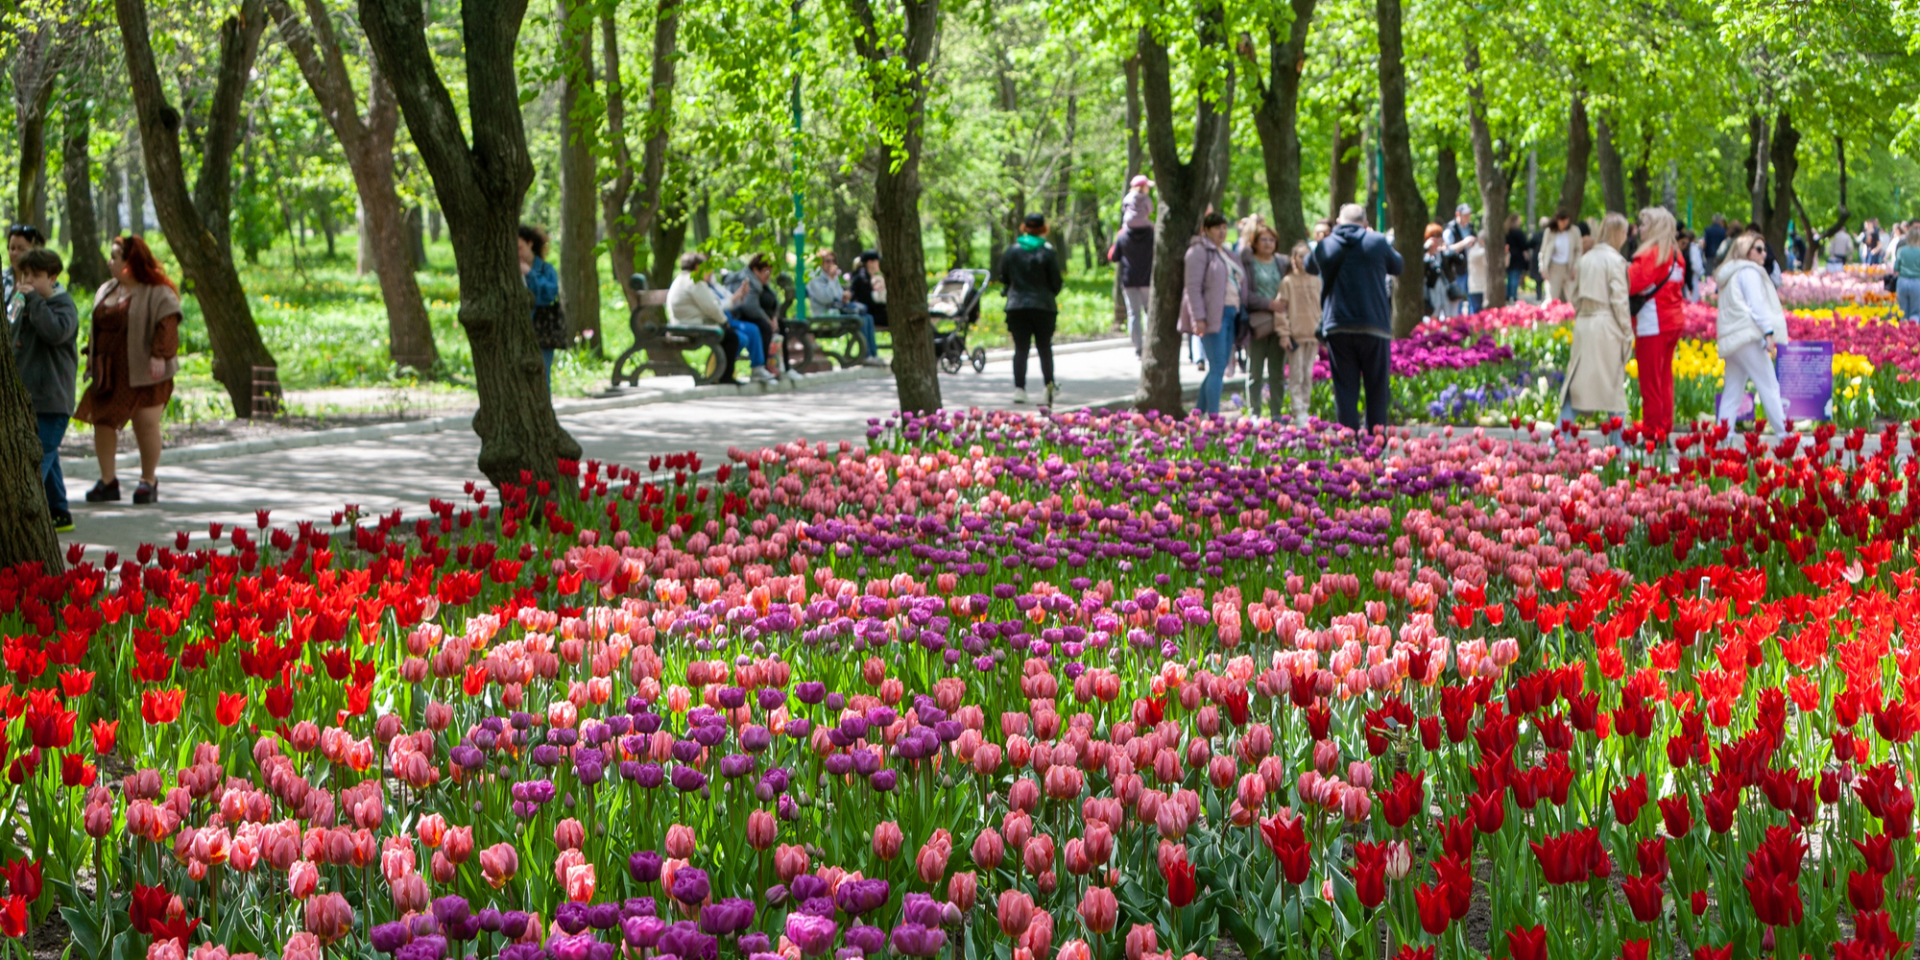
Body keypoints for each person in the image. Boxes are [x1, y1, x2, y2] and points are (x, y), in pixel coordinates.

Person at [75, 236, 181, 505]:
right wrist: (91, 360)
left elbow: (168, 324)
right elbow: (95, 328)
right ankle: (108, 482)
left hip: (146, 373)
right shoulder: (106, 290)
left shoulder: (157, 292)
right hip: (109, 372)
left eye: (114, 256)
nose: (109, 262)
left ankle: (148, 481)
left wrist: (159, 355)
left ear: (130, 262)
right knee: (102, 422)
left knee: (145, 425)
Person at [1307, 203, 1402, 433]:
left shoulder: (1326, 244)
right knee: (1376, 389)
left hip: (1337, 326)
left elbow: (1308, 266)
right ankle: (1375, 446)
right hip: (1374, 325)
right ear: (1366, 224)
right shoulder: (1377, 242)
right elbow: (1398, 265)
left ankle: (1348, 444)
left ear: (1338, 223)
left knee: (1345, 389)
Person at [11, 248, 78, 531]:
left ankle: (24, 520)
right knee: (45, 453)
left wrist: (35, 301)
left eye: (35, 276)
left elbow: (54, 332)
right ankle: (59, 511)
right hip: (30, 400)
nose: (27, 280)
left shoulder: (63, 307)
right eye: (24, 274)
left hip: (52, 401)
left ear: (52, 278)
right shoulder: (26, 304)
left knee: (36, 463)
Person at [1557, 213, 1632, 446]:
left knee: (1579, 387)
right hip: (1606, 326)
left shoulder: (1587, 258)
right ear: (1618, 233)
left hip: (1585, 324)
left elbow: (1575, 295)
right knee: (1612, 388)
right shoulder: (1616, 261)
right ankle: (1619, 444)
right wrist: (1627, 332)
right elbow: (1619, 300)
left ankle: (1560, 438)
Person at [1713, 232, 1789, 434]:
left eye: (1764, 249)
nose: (1763, 254)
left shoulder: (1729, 273)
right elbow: (1757, 306)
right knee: (1769, 386)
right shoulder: (1749, 272)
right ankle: (1785, 435)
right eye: (1758, 249)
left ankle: (1722, 440)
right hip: (1748, 336)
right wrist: (1768, 332)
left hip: (1732, 338)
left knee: (1732, 392)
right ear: (1746, 251)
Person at [668, 251, 773, 384]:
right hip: (692, 325)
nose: (710, 271)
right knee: (732, 337)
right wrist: (724, 322)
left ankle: (721, 374)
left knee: (736, 335)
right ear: (696, 267)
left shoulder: (684, 279)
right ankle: (723, 376)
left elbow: (712, 307)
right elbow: (712, 308)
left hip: (686, 323)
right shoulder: (695, 281)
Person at [1628, 207, 1687, 439]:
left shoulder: (1650, 254)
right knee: (1664, 379)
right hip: (1672, 319)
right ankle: (1664, 426)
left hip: (1653, 323)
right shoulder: (1675, 255)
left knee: (1650, 381)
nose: (1639, 229)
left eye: (1643, 225)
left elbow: (1632, 284)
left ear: (1653, 228)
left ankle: (1652, 431)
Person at [1177, 212, 1246, 415]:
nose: (1222, 232)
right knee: (1217, 367)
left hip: (1232, 313)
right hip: (1213, 316)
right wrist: (1198, 318)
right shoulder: (1198, 252)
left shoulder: (1225, 252)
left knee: (1219, 365)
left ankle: (1199, 413)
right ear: (1206, 230)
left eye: (1225, 227)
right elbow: (1192, 288)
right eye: (1217, 228)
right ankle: (1214, 417)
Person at [999, 213, 1065, 405]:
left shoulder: (1011, 251)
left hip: (1016, 306)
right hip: (1043, 307)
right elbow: (1056, 282)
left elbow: (1003, 276)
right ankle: (1049, 387)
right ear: (1043, 228)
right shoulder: (1047, 252)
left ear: (1024, 227)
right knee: (1045, 347)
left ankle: (1019, 389)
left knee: (1021, 349)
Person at [806, 253, 886, 367]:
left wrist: (844, 296)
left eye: (833, 261)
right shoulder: (815, 279)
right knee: (859, 319)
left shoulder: (832, 277)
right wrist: (831, 279)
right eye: (827, 261)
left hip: (836, 313)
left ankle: (873, 354)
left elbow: (837, 296)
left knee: (868, 317)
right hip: (824, 316)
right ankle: (866, 355)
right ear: (820, 262)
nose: (831, 264)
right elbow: (826, 298)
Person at [1239, 225, 1287, 417]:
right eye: (1264, 240)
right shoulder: (1248, 263)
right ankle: (1255, 413)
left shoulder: (1282, 262)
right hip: (1257, 324)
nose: (1268, 243)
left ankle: (1276, 413)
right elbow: (1245, 295)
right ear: (1255, 242)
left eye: (1271, 240)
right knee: (1255, 372)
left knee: (1277, 373)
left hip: (1280, 324)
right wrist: (1268, 303)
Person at [731, 254, 798, 383]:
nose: (769, 275)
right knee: (763, 327)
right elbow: (750, 307)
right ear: (756, 269)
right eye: (766, 271)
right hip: (746, 317)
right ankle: (763, 367)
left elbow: (774, 303)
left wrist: (774, 318)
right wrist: (767, 320)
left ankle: (784, 368)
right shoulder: (747, 281)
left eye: (770, 272)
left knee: (782, 325)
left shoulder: (764, 284)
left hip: (764, 318)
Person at [1279, 241, 1322, 419]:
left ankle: (1305, 406)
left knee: (1308, 374)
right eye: (1300, 256)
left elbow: (1322, 308)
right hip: (1295, 336)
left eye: (1307, 256)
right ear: (1293, 259)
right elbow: (1280, 311)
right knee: (1296, 375)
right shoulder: (1287, 282)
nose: (1303, 260)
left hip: (1313, 335)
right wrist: (1284, 334)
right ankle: (1298, 410)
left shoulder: (1317, 281)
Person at [518, 225, 562, 381]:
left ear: (530, 243)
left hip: (542, 332)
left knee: (543, 377)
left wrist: (530, 274)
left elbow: (549, 295)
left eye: (520, 248)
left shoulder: (546, 269)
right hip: (517, 332)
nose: (518, 254)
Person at [1113, 212, 1155, 357]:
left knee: (1133, 314)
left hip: (1129, 280)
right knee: (1149, 311)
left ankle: (1138, 347)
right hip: (1148, 279)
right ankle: (1150, 344)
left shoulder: (1123, 236)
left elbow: (1113, 256)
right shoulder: (1152, 235)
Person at [1441, 205, 1478, 314]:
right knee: (1459, 299)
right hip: (1457, 270)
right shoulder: (1450, 230)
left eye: (1469, 214)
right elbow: (1447, 249)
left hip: (1470, 268)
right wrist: (1464, 242)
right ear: (1458, 214)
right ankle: (1458, 324)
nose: (1468, 217)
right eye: (1465, 214)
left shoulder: (1470, 227)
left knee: (1472, 298)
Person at [5, 225, 47, 315]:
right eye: (12, 248)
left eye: (21, 249)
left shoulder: (46, 282)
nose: (15, 253)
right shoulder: (3, 279)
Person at [1540, 210, 1581, 304]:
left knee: (1573, 297)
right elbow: (1543, 251)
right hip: (1554, 268)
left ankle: (1574, 317)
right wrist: (1543, 267)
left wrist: (1576, 266)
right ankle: (1550, 318)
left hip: (1569, 267)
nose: (1564, 223)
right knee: (1551, 298)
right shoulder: (1550, 232)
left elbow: (1579, 250)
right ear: (1557, 220)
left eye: (1566, 221)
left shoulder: (1574, 231)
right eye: (1562, 221)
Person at [850, 251, 887, 332]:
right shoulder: (862, 278)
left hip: (869, 313)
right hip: (866, 314)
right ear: (870, 262)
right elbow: (868, 301)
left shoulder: (866, 275)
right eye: (878, 261)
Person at [1421, 224, 1450, 318]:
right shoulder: (1424, 254)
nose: (1436, 239)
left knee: (1449, 318)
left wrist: (1445, 250)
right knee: (1434, 316)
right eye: (1433, 236)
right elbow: (1424, 266)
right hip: (1431, 291)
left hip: (1444, 290)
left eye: (1439, 236)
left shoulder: (1443, 253)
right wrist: (1426, 248)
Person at [1896, 224, 1920, 320]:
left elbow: (1896, 268)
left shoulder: (1901, 251)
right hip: (1916, 282)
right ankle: (1913, 332)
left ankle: (1902, 333)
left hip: (1902, 281)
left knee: (1902, 312)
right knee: (1915, 312)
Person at [1503, 213, 1529, 303]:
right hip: (1517, 258)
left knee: (1509, 277)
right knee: (1514, 277)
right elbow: (1524, 246)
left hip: (1508, 256)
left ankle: (1508, 295)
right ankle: (1513, 296)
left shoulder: (1506, 232)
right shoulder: (1518, 233)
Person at [1466, 238, 1489, 315]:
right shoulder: (1474, 251)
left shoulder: (1482, 251)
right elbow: (1476, 255)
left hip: (1484, 287)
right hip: (1476, 287)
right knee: (1475, 310)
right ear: (1481, 240)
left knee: (1482, 310)